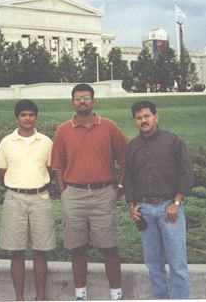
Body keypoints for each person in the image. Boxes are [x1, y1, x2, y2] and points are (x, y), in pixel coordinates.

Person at [50, 83, 127, 301]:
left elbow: (125, 160)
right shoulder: (63, 130)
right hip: (73, 194)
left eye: (86, 98)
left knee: (109, 247)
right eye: (77, 98)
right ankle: (80, 295)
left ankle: (116, 295)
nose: (82, 102)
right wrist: (63, 192)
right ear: (72, 102)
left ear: (94, 101)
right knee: (77, 248)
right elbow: (57, 166)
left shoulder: (109, 127)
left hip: (104, 194)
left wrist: (119, 186)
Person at [124, 100, 194, 299]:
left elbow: (186, 173)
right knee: (153, 265)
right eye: (139, 118)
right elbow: (128, 179)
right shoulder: (132, 146)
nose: (143, 120)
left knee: (177, 265)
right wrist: (131, 206)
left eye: (147, 116)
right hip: (144, 210)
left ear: (156, 116)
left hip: (169, 209)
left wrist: (177, 202)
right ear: (135, 121)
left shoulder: (173, 140)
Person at [0, 99, 56, 301]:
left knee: (41, 250)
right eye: (23, 115)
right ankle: (19, 298)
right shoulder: (6, 142)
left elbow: (51, 170)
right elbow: (1, 174)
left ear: (35, 117)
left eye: (31, 114)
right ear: (17, 118)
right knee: (17, 251)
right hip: (14, 198)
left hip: (40, 198)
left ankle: (41, 297)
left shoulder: (46, 142)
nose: (27, 118)